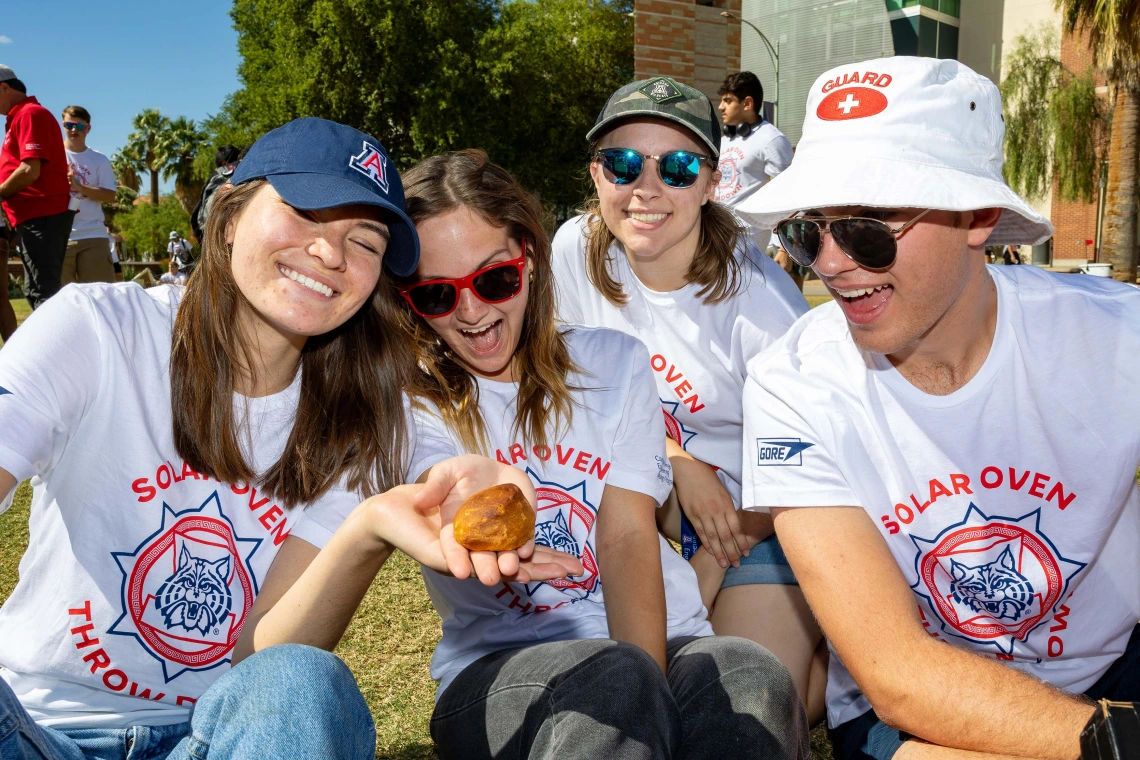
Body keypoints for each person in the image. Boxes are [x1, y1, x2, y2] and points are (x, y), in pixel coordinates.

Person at [0, 117, 574, 760]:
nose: (331, 253)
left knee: (303, 682)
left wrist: (370, 528)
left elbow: (260, 662)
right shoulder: (101, 331)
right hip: (32, 728)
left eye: (365, 240)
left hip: (213, 738)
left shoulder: (361, 423)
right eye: (304, 212)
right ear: (227, 218)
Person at [735, 56, 1140, 760]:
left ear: (977, 215)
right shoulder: (792, 384)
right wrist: (1112, 742)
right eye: (809, 231)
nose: (829, 263)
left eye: (866, 228)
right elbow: (896, 673)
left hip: (1114, 667)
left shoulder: (1115, 340)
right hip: (916, 711)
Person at [386, 149, 808, 759]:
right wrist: (471, 494)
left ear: (527, 258)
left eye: (494, 279)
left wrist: (653, 693)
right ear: (407, 299)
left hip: (658, 644)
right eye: (435, 295)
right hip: (503, 665)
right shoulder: (409, 398)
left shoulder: (616, 362)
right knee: (613, 681)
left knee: (750, 675)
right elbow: (441, 482)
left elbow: (627, 539)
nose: (473, 311)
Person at [550, 76, 825, 723]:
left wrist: (713, 558)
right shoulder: (572, 256)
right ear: (596, 175)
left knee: (741, 706)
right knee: (645, 695)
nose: (646, 189)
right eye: (622, 164)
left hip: (766, 513)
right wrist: (674, 458)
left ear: (710, 183)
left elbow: (815, 455)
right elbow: (568, 399)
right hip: (643, 507)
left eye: (677, 167)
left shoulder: (754, 296)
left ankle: (841, 662)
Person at [0, 64, 72, 309]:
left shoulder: (29, 114)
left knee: (43, 294)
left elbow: (30, 170)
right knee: (37, 291)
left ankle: (59, 347)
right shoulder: (20, 117)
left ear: (4, 88)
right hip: (34, 215)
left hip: (41, 214)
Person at [715, 72, 793, 252]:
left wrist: (783, 247)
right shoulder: (725, 140)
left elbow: (784, 195)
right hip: (718, 232)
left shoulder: (771, 140)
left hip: (749, 237)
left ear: (747, 103)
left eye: (727, 101)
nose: (720, 107)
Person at [62, 105, 117, 285]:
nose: (73, 130)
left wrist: (79, 186)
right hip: (60, 236)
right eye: (68, 125)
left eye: (78, 126)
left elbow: (109, 196)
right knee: (60, 300)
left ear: (88, 128)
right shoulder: (53, 155)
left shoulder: (99, 159)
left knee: (101, 297)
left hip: (93, 235)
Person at [191, 145, 242, 244]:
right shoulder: (248, 167)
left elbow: (196, 216)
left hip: (216, 234)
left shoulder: (218, 174)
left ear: (223, 162)